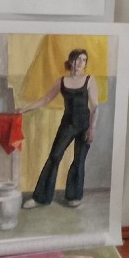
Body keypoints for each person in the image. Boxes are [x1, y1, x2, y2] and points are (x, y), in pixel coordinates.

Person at [18, 48, 99, 209]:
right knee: (55, 157)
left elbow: (95, 106)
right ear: (70, 61)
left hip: (85, 124)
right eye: (77, 59)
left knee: (79, 160)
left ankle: (74, 196)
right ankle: (40, 198)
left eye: (83, 60)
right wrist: (24, 108)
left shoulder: (89, 80)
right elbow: (46, 99)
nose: (80, 63)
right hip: (68, 123)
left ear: (85, 64)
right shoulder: (61, 81)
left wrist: (92, 128)